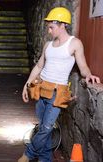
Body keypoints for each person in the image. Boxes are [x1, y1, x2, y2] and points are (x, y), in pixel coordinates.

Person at [18, 7, 101, 162]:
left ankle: (28, 154)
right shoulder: (48, 45)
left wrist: (89, 75)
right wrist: (27, 84)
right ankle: (45, 159)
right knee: (44, 128)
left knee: (46, 128)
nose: (49, 31)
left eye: (52, 27)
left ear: (63, 25)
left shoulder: (74, 43)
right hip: (41, 89)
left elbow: (83, 67)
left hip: (57, 93)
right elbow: (38, 66)